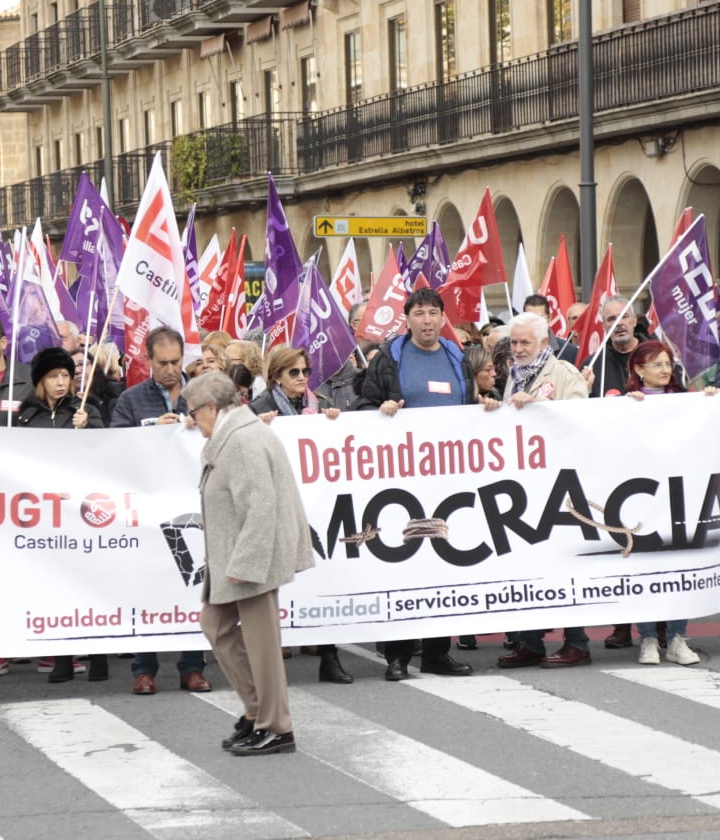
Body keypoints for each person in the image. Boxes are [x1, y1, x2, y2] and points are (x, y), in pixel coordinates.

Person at [356, 287, 489, 681]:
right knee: (404, 563)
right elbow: (362, 405)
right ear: (408, 319)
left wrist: (486, 406)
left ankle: (436, 653)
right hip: (403, 476)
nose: (427, 320)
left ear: (442, 318)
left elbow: (468, 405)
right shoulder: (389, 358)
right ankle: (397, 656)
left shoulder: (456, 356)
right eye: (419, 313)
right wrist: (380, 409)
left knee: (443, 563)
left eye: (433, 313)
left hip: (448, 475)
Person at [185, 372, 314, 756]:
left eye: (193, 411)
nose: (192, 420)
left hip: (253, 557)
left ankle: (275, 726)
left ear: (211, 407)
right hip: (240, 556)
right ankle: (258, 711)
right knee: (216, 624)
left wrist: (247, 563)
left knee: (262, 645)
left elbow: (260, 506)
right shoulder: (236, 433)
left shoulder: (241, 439)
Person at [108, 328, 212, 695]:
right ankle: (144, 668)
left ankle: (193, 667)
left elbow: (222, 433)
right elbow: (115, 445)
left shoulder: (202, 395)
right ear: (147, 360)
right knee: (146, 585)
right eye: (162, 362)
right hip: (148, 506)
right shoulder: (131, 399)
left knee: (195, 585)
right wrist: (151, 429)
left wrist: (197, 426)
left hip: (193, 504)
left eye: (175, 362)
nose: (170, 369)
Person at [493, 313, 595, 668]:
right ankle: (530, 641)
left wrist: (541, 409)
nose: (518, 349)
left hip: (560, 482)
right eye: (514, 342)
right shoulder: (514, 375)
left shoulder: (563, 373)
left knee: (565, 562)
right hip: (527, 482)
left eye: (525, 342)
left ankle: (577, 642)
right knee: (529, 563)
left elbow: (581, 420)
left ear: (543, 344)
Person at [622, 339, 720, 666]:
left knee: (679, 566)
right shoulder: (626, 404)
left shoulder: (686, 400)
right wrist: (626, 407)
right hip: (642, 498)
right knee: (645, 568)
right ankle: (647, 638)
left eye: (667, 363)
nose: (664, 369)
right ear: (639, 369)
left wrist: (711, 400)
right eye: (656, 364)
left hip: (679, 496)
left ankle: (676, 638)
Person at [247, 346, 351, 683]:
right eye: (294, 372)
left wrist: (333, 422)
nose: (302, 378)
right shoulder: (257, 408)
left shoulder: (319, 403)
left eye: (306, 371)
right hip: (278, 504)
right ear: (277, 376)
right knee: (275, 584)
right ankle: (267, 664)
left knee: (324, 576)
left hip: (318, 504)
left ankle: (330, 656)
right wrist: (257, 427)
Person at [15, 347, 109, 683]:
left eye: (65, 376)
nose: (60, 382)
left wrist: (89, 428)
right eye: (53, 376)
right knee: (57, 585)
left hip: (82, 510)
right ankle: (63, 659)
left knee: (91, 584)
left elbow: (108, 452)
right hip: (47, 512)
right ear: (40, 381)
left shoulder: (86, 409)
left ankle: (99, 657)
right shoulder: (26, 416)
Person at [587, 296, 640, 397]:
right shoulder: (592, 365)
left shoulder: (655, 356)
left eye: (624, 316)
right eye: (611, 319)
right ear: (603, 326)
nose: (619, 323)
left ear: (635, 320)